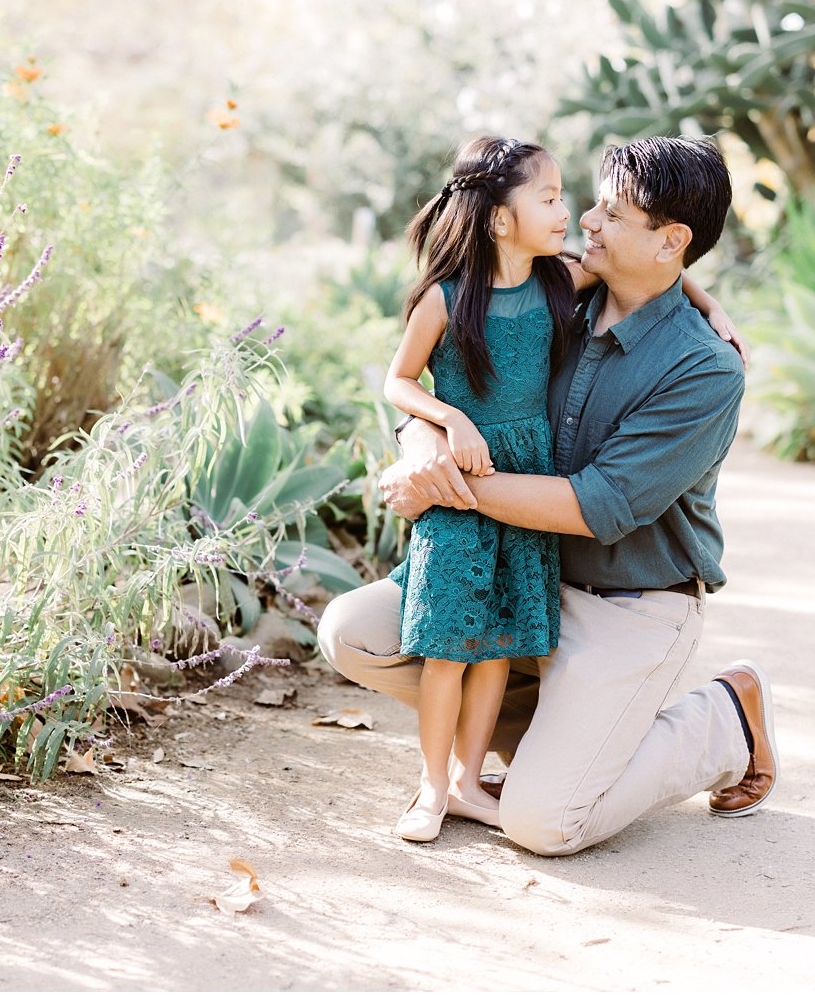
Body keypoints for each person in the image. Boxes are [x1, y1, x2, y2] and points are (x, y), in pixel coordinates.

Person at [320, 135, 776, 857]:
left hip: (628, 601)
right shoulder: (554, 291)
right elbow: (437, 383)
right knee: (354, 631)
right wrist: (423, 446)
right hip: (524, 564)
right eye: (586, 203)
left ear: (671, 241)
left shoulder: (703, 368)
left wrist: (448, 488)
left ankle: (722, 719)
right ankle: (560, 739)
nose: (587, 221)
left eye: (612, 213)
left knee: (543, 822)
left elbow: (595, 505)